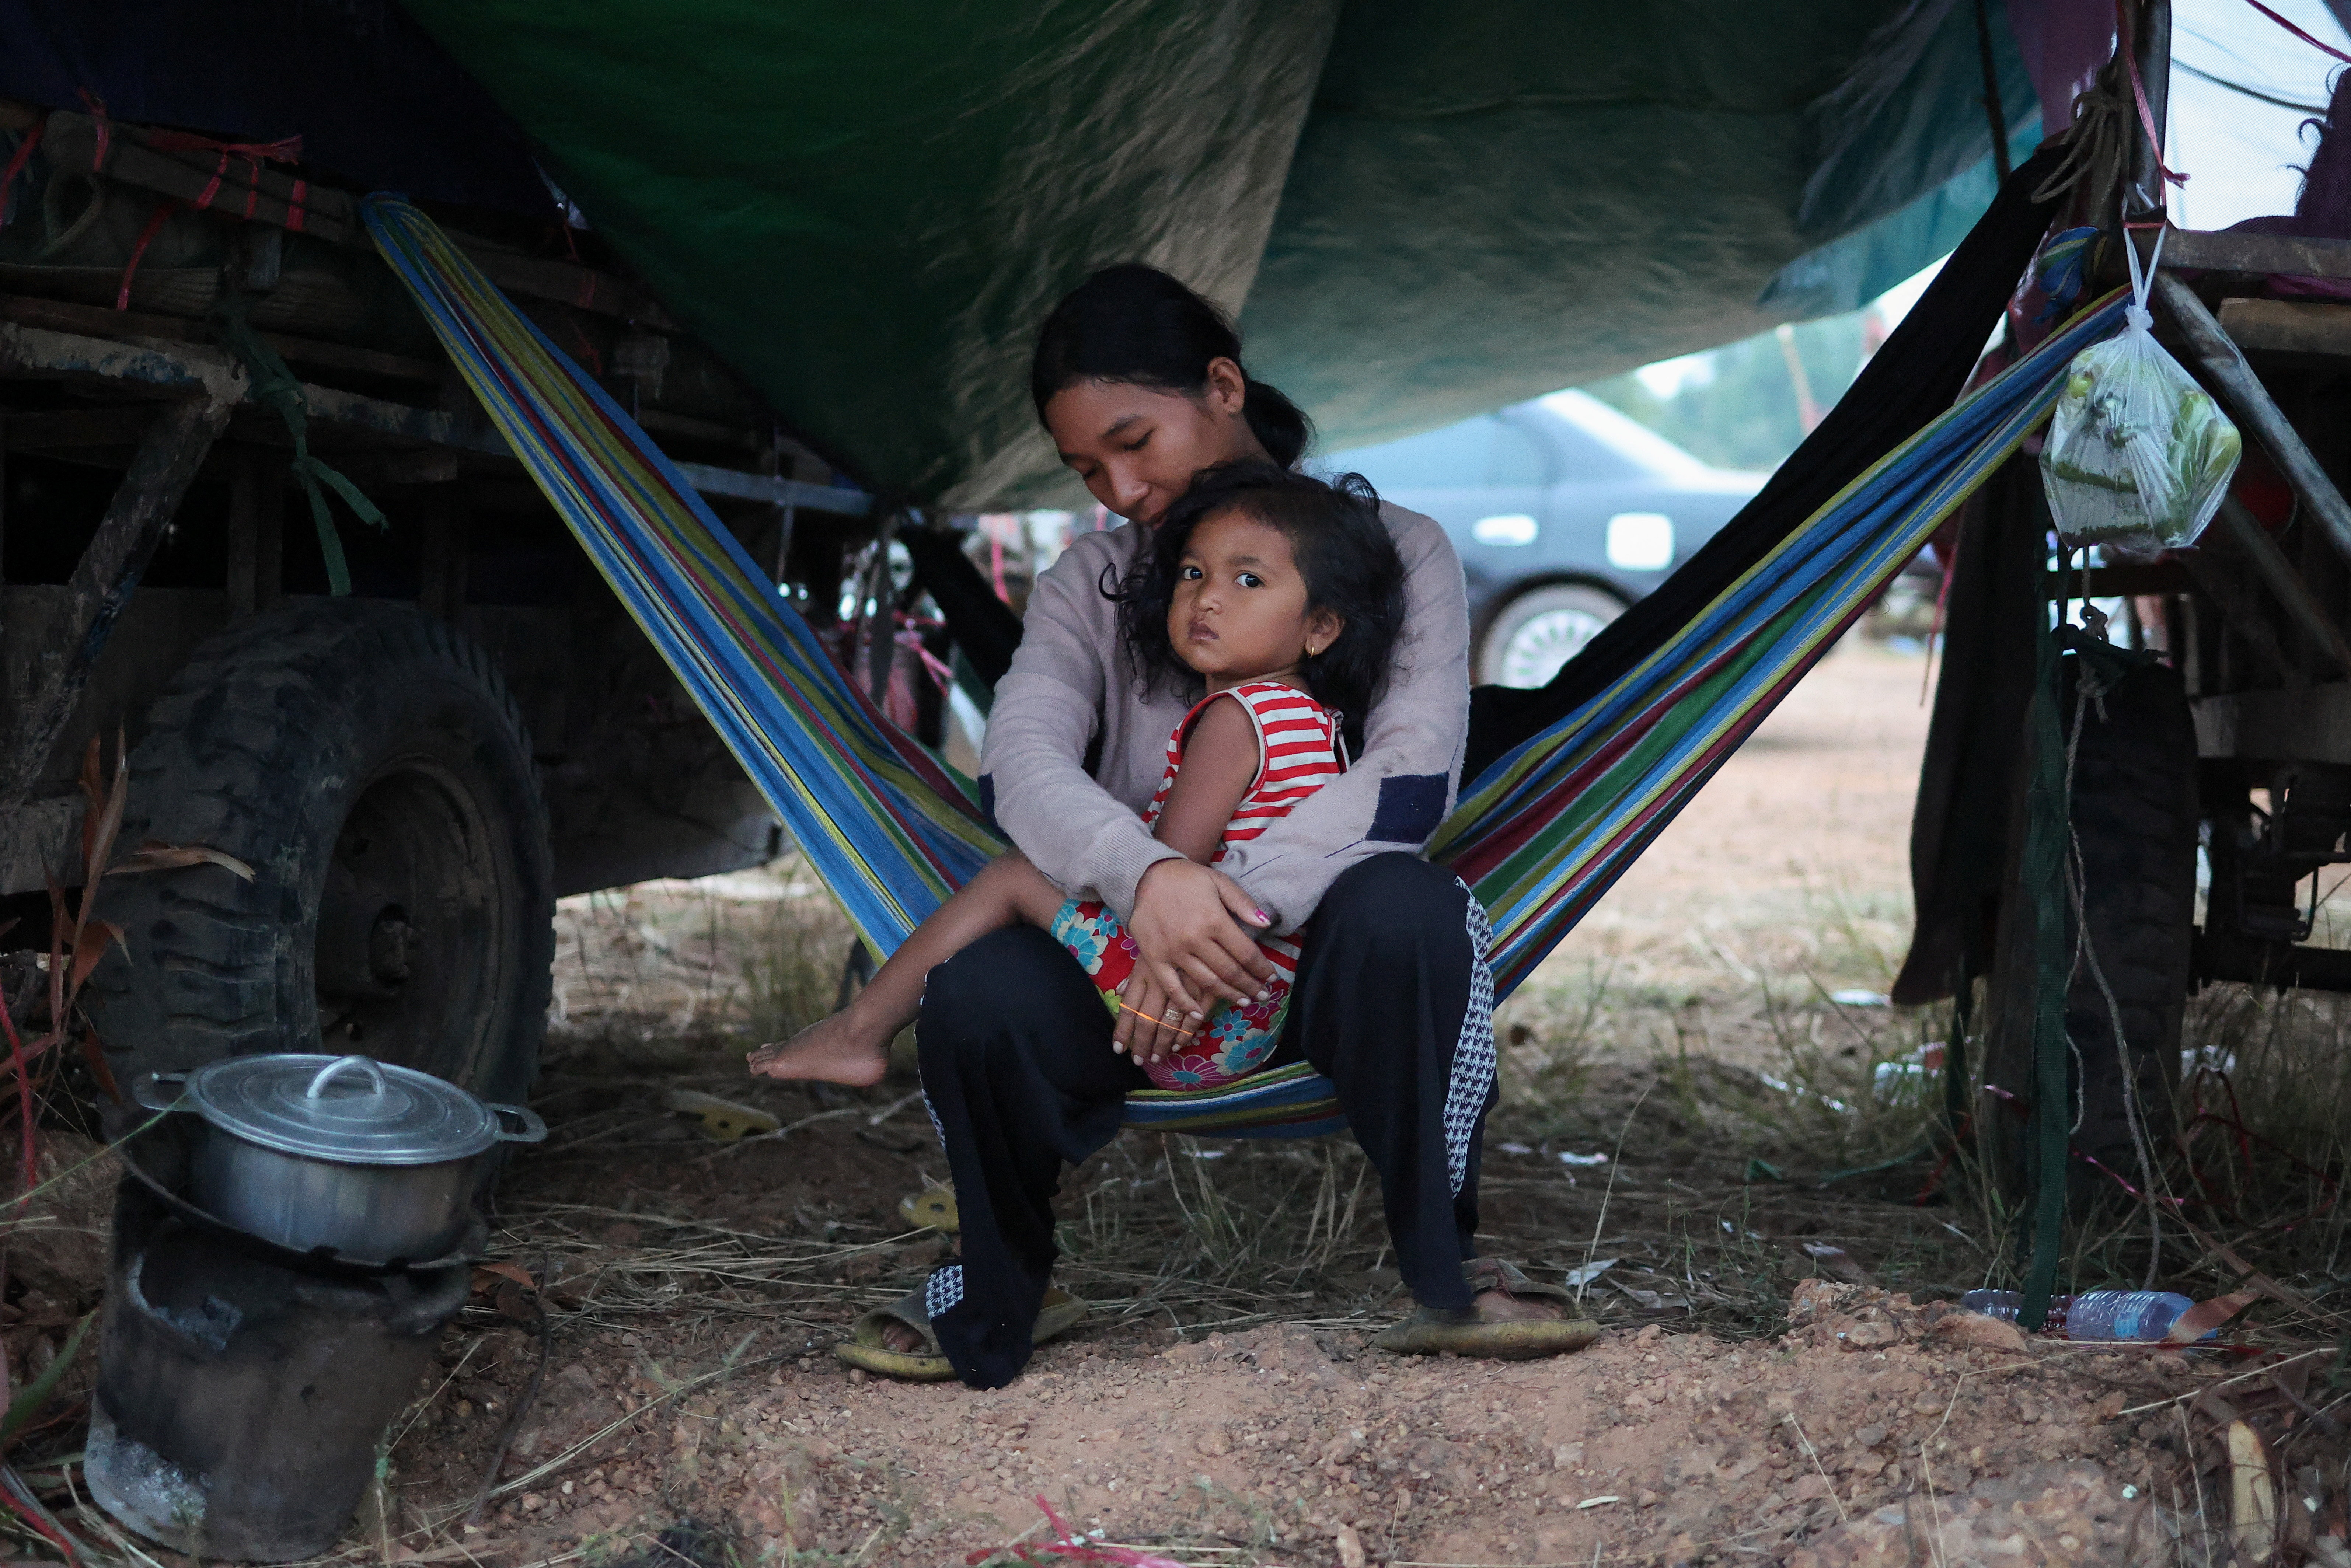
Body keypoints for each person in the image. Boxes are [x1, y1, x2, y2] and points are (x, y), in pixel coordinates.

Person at [833, 264, 1595, 1388]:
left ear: (1224, 385)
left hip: (1313, 963)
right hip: (1130, 987)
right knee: (980, 993)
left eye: (1135, 441)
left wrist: (1222, 905)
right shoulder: (1087, 584)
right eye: (1087, 468)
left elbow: (1408, 783)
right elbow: (1021, 767)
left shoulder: (1397, 550)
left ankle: (1447, 1272)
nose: (1122, 488)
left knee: (1416, 910)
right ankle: (994, 1291)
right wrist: (1148, 882)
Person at [746, 459, 1401, 1091]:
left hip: (1184, 1018)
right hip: (1252, 1019)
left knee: (1015, 877)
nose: (1209, 599)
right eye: (1194, 573)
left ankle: (859, 1032)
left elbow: (1169, 864)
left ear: (1321, 628)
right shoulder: (1318, 723)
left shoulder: (1237, 717)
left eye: (1249, 582)